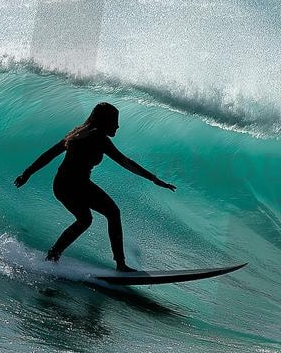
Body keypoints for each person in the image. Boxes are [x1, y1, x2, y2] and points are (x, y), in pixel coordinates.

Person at [14, 102, 176, 271]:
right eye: (115, 121)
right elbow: (126, 162)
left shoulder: (77, 133)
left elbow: (50, 154)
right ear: (105, 121)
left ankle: (53, 254)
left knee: (85, 220)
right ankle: (120, 264)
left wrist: (27, 173)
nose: (118, 126)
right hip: (75, 185)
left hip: (62, 185)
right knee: (112, 213)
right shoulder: (99, 138)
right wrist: (153, 179)